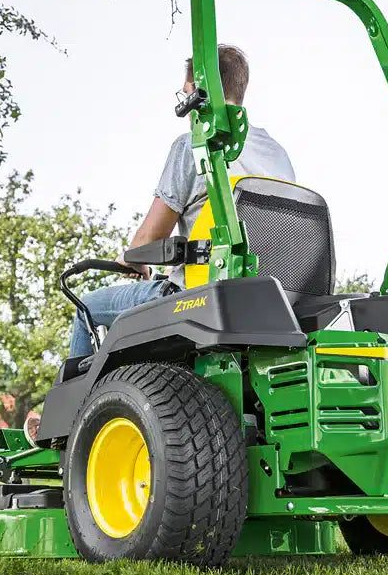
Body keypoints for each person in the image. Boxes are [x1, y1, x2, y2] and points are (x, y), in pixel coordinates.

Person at [67, 45, 296, 358]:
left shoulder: (194, 145)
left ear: (195, 91)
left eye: (184, 92)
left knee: (86, 310)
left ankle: (81, 407)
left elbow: (149, 238)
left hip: (199, 297)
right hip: (269, 301)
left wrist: (133, 261)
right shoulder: (275, 152)